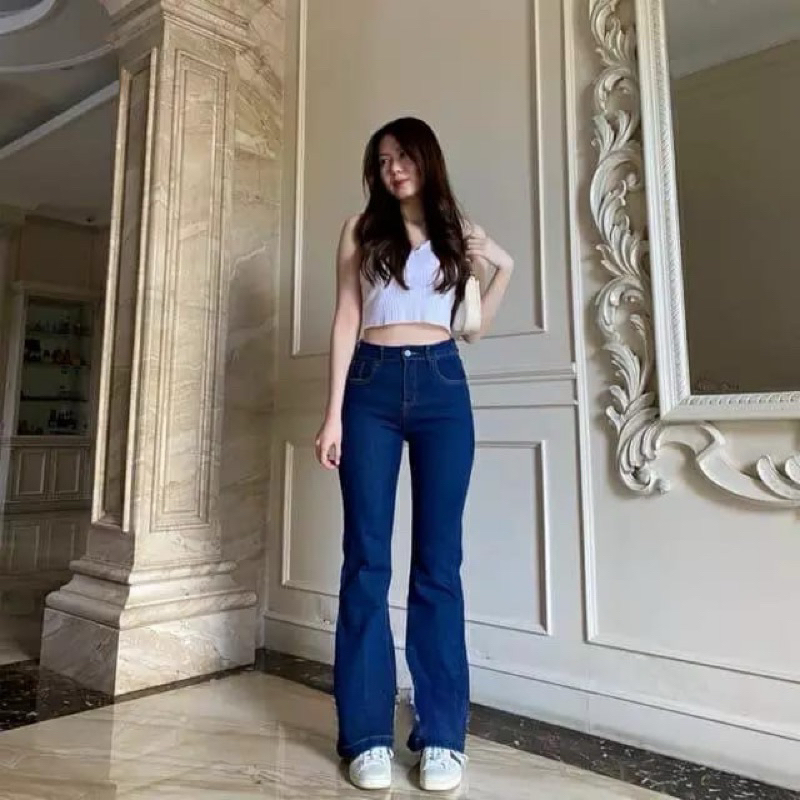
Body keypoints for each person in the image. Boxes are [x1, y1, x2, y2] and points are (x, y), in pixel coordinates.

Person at [315, 117, 514, 792]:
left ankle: (442, 738)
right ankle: (367, 736)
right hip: (370, 385)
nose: (394, 168)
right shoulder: (359, 229)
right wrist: (333, 414)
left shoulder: (457, 232)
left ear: (427, 159)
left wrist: (504, 266)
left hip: (442, 385)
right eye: (383, 160)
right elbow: (347, 316)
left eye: (403, 156)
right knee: (366, 560)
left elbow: (472, 328)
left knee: (438, 564)